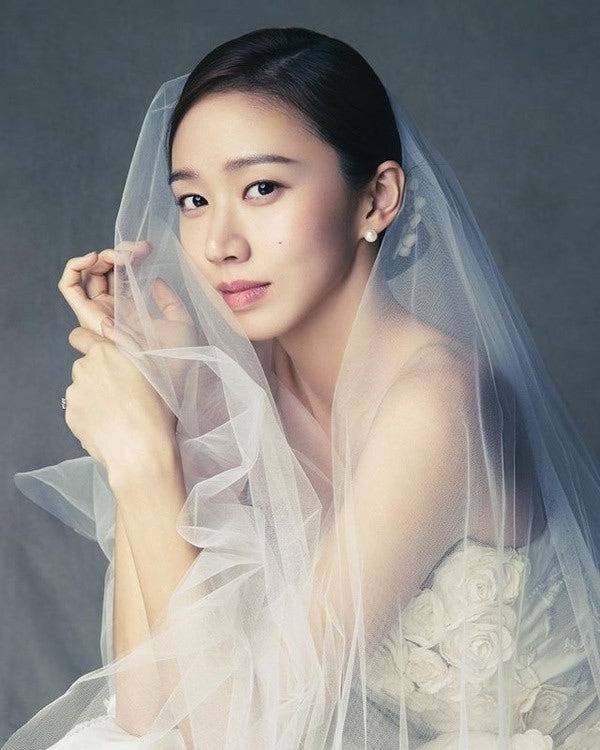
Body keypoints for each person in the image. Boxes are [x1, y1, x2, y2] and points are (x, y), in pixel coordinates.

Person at [5, 26, 600, 749]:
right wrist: (163, 409)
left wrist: (145, 464)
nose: (220, 243)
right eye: (193, 200)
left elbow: (241, 737)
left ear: (376, 198)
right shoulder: (242, 391)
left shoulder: (437, 400)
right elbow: (146, 712)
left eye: (262, 188)